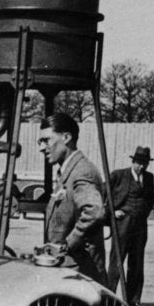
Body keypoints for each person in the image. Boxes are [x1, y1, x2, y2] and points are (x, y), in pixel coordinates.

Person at [37, 113, 107, 286]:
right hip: (68, 270)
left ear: (66, 137)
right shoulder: (67, 171)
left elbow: (94, 211)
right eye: (40, 142)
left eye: (46, 140)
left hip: (79, 273)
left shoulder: (82, 171)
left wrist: (67, 245)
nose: (42, 148)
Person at [107, 146, 154, 306]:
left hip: (140, 226)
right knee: (116, 261)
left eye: (145, 163)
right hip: (122, 224)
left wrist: (143, 213)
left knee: (137, 262)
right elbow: (102, 193)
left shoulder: (149, 178)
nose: (142, 166)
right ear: (133, 161)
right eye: (139, 163)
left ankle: (133, 299)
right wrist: (112, 212)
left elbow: (151, 199)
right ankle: (109, 297)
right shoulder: (118, 175)